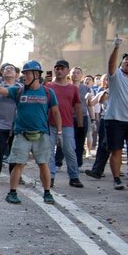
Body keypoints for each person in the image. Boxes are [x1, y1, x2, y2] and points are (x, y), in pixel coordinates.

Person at [0, 60, 60, 205]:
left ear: (36, 74)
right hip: (21, 134)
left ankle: (47, 194)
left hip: (42, 135)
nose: (24, 76)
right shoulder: (18, 90)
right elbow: (0, 91)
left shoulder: (48, 92)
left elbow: (56, 112)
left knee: (43, 163)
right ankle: (12, 193)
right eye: (24, 73)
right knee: (18, 164)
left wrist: (59, 132)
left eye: (27, 74)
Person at [44, 59, 84, 188]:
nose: (59, 71)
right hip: (50, 124)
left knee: (69, 151)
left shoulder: (72, 88)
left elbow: (77, 106)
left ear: (67, 71)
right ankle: (50, 177)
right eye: (57, 68)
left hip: (67, 124)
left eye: (62, 68)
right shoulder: (48, 86)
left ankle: (74, 176)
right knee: (49, 152)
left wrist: (80, 124)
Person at [103, 37, 128, 190]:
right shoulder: (116, 76)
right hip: (114, 120)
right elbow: (111, 64)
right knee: (117, 150)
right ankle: (116, 179)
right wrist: (116, 47)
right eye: (126, 60)